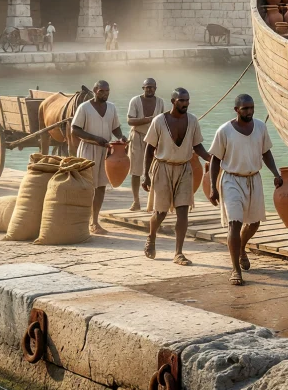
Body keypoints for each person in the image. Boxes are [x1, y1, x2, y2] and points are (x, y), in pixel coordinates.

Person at [207, 94, 283, 286]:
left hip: (253, 178)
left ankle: (241, 248)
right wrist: (212, 187)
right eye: (245, 108)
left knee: (255, 223)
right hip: (231, 180)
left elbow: (266, 152)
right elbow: (215, 159)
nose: (249, 112)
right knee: (235, 223)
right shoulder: (224, 130)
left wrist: (276, 173)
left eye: (251, 108)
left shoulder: (260, 127)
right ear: (236, 110)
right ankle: (235, 269)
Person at [141, 87, 211, 266]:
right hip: (162, 168)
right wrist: (145, 175)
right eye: (181, 101)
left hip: (184, 168)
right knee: (161, 212)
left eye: (187, 101)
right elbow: (149, 149)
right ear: (173, 101)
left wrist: (213, 159)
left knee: (183, 211)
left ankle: (178, 253)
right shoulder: (159, 121)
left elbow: (198, 147)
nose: (185, 104)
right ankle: (151, 236)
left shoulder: (193, 121)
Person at [70, 80, 124, 235]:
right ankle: (81, 219)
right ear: (95, 91)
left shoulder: (112, 108)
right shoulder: (84, 107)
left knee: (101, 186)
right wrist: (95, 138)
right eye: (102, 91)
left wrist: (121, 137)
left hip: (106, 151)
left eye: (107, 91)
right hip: (88, 149)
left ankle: (94, 222)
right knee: (86, 186)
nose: (105, 94)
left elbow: (116, 127)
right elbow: (75, 129)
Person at [126, 79, 163, 211]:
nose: (150, 90)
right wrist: (147, 120)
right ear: (143, 88)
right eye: (147, 87)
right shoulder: (135, 101)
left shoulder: (160, 102)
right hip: (137, 136)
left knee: (155, 170)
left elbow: (162, 121)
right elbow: (130, 120)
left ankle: (153, 202)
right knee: (135, 171)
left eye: (152, 87)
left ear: (155, 88)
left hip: (154, 139)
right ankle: (136, 201)